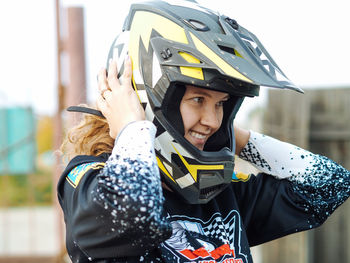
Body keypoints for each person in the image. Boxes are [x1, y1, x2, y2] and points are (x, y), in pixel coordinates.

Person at [57, 1, 350, 262]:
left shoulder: (219, 196)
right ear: (143, 98)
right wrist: (133, 127)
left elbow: (329, 185)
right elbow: (135, 218)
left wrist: (235, 137)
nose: (212, 119)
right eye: (198, 100)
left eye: (221, 104)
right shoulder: (88, 181)